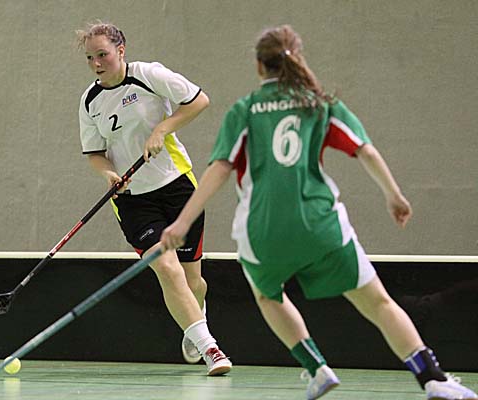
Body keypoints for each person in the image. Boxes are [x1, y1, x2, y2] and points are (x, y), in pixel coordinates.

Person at [160, 24, 477, 399]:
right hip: (321, 225)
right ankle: (433, 379)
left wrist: (182, 222)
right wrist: (394, 195)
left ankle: (316, 368)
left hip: (263, 231)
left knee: (268, 296)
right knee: (378, 303)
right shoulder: (320, 103)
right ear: (297, 58)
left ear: (259, 66)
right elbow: (365, 150)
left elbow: (219, 169)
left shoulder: (244, 111)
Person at [75, 22, 231, 376]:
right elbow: (95, 153)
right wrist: (108, 174)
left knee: (193, 281)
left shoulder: (149, 76)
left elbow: (199, 101)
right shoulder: (89, 101)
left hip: (176, 186)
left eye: (103, 55)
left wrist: (162, 128)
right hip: (133, 201)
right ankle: (210, 348)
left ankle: (196, 321)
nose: (97, 63)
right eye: (90, 58)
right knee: (166, 268)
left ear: (121, 51)